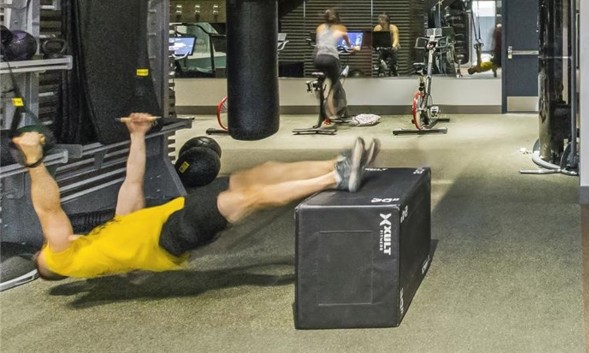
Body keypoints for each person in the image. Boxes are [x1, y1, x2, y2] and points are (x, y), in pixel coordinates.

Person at [12, 114, 381, 281]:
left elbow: (132, 183)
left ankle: (337, 163)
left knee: (257, 175)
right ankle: (335, 178)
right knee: (251, 197)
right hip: (173, 234)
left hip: (177, 214)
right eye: (44, 249)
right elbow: (48, 209)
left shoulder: (106, 238)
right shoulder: (63, 261)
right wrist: (33, 161)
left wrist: (137, 136)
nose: (48, 244)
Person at [314, 9, 357, 119]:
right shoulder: (341, 28)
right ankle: (331, 111)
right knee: (334, 84)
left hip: (318, 59)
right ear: (337, 18)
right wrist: (353, 49)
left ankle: (320, 96)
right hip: (330, 59)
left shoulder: (320, 27)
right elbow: (348, 44)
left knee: (323, 81)